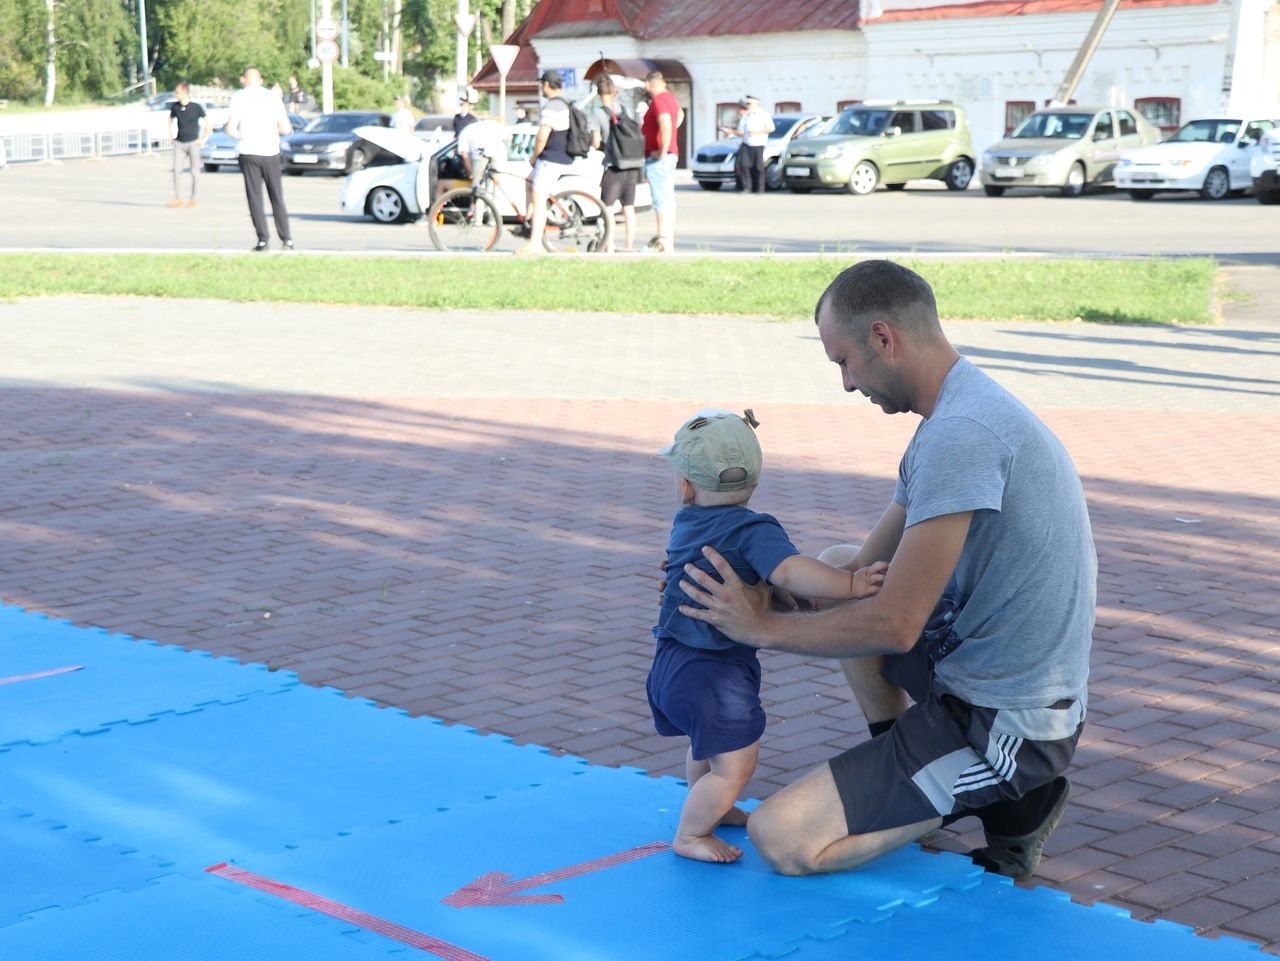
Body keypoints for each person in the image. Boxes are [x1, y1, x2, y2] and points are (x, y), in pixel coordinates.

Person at [677, 259, 1095, 882]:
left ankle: (1006, 795)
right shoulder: (952, 410)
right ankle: (909, 771)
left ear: (883, 337)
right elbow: (867, 568)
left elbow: (896, 625)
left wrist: (760, 628)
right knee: (846, 568)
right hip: (969, 675)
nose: (846, 383)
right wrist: (777, 588)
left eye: (843, 361)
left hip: (1012, 721)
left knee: (783, 839)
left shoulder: (962, 435)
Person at [652, 409, 888, 864]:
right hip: (713, 671)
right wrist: (851, 584)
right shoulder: (752, 529)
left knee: (707, 748)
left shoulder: (688, 522)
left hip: (670, 663)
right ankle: (691, 832)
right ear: (755, 483)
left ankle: (712, 806)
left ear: (685, 486)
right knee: (736, 765)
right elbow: (788, 569)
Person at [225, 66, 295, 252]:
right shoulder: (272, 97)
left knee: (255, 197)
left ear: (243, 79)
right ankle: (286, 239)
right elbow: (286, 128)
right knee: (276, 196)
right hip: (270, 150)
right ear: (261, 80)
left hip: (248, 151)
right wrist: (271, 131)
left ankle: (263, 239)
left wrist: (241, 135)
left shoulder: (239, 97)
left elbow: (231, 129)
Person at [514, 70, 573, 256]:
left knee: (539, 200)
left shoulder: (552, 106)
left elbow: (542, 136)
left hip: (550, 159)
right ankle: (529, 223)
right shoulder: (567, 103)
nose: (541, 88)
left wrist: (534, 156)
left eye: (542, 85)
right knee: (529, 181)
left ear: (547, 85)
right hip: (563, 157)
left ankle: (535, 242)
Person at [589, 75, 640, 253]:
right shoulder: (625, 110)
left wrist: (601, 145)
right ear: (615, 93)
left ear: (597, 93)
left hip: (613, 165)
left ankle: (609, 245)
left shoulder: (598, 113)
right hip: (631, 164)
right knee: (629, 207)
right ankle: (629, 245)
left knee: (608, 207)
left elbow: (595, 142)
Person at [641, 70, 683, 253]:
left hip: (660, 157)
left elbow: (665, 123)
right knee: (667, 200)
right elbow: (679, 116)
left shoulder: (658, 101)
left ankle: (662, 242)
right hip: (670, 155)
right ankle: (668, 242)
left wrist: (662, 150)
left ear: (648, 85)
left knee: (661, 202)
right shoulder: (671, 99)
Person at [167, 82, 209, 208]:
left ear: (185, 92)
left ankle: (193, 199)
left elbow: (208, 124)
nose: (176, 94)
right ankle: (178, 198)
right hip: (179, 143)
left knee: (195, 172)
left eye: (178, 92)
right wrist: (171, 135)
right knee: (177, 170)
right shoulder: (175, 107)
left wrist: (203, 139)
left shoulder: (196, 107)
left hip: (193, 143)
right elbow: (169, 120)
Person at [456, 113, 507, 182]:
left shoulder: (465, 131)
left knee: (477, 183)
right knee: (496, 178)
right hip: (498, 152)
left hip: (480, 154)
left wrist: (471, 174)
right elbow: (507, 137)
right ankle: (495, 189)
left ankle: (479, 190)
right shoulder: (491, 123)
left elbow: (465, 156)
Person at [739, 96, 775, 193]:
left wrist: (757, 131)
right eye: (747, 104)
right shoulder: (746, 115)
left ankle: (759, 188)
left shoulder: (764, 115)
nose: (747, 106)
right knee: (744, 165)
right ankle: (747, 187)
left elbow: (771, 128)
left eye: (749, 104)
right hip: (747, 143)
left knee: (758, 167)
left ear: (756, 104)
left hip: (759, 143)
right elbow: (741, 131)